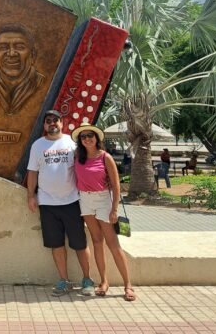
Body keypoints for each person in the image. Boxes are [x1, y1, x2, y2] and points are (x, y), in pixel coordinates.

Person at [26, 110, 94, 296]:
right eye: (48, 121)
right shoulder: (37, 146)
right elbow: (32, 172)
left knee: (79, 244)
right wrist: (31, 196)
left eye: (55, 120)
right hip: (47, 204)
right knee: (56, 245)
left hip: (72, 201)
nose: (52, 124)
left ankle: (87, 279)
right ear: (44, 125)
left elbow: (86, 166)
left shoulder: (72, 144)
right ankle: (64, 281)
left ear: (62, 123)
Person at [72, 124, 136, 302]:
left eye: (90, 135)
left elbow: (116, 186)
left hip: (102, 200)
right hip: (85, 200)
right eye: (83, 136)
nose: (87, 139)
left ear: (97, 138)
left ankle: (128, 285)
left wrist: (114, 209)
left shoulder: (105, 157)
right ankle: (104, 282)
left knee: (113, 243)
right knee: (97, 241)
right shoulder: (78, 157)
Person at [0, 25, 44, 115]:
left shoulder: (41, 83)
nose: (11, 54)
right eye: (3, 48)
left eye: (19, 47)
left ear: (33, 55)